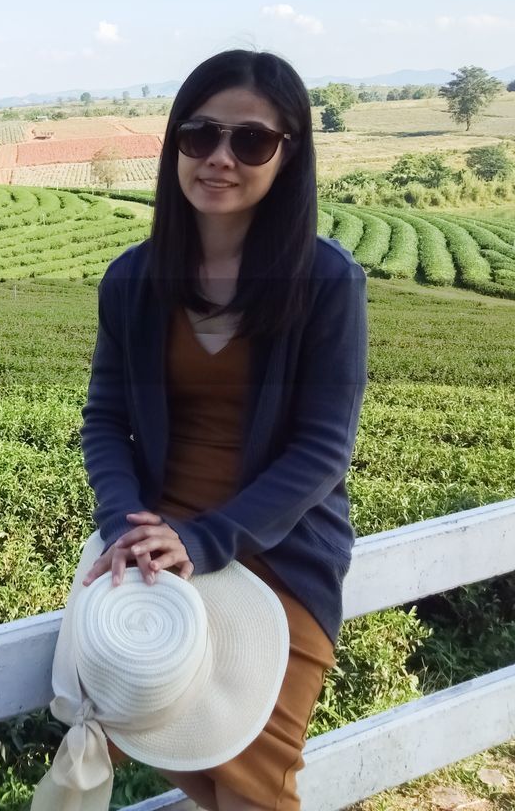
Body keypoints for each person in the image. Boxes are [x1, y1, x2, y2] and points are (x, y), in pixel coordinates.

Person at [77, 48, 369, 810]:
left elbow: (323, 450)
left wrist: (206, 541)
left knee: (252, 788)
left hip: (276, 552)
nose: (220, 158)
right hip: (155, 548)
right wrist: (123, 525)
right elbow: (106, 419)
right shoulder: (134, 281)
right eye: (199, 135)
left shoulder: (327, 283)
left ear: (289, 155)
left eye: (251, 141)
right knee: (167, 742)